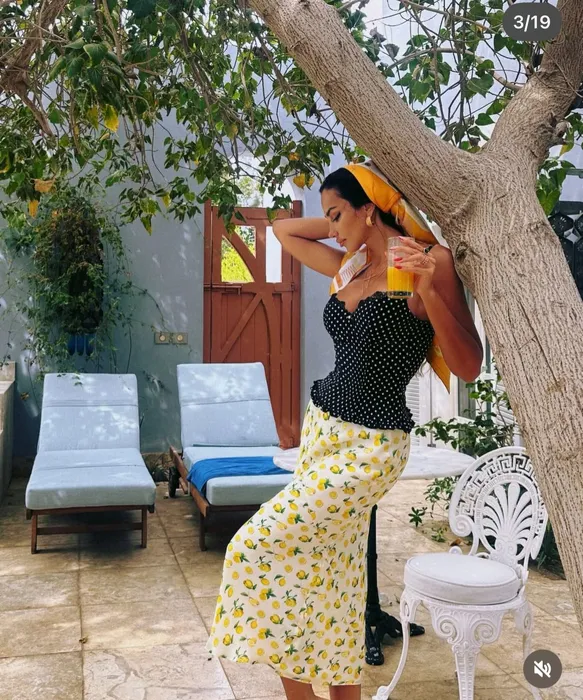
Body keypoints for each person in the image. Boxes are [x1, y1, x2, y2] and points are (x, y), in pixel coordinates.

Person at [206, 160, 483, 700]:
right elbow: (285, 231)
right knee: (332, 575)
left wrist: (427, 289)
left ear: (368, 209)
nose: (330, 228)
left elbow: (468, 365)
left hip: (374, 444)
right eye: (328, 217)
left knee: (254, 546)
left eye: (336, 214)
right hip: (323, 428)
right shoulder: (350, 265)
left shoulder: (429, 261)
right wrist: (348, 215)